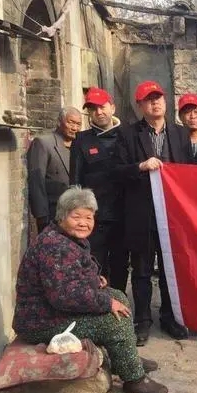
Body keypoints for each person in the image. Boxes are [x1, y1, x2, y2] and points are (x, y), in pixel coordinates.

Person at [11, 186, 168, 393]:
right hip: (41, 321)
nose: (83, 223)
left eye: (89, 217)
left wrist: (94, 280)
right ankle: (134, 378)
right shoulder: (54, 246)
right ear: (62, 216)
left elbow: (71, 275)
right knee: (113, 321)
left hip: (52, 312)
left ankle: (126, 357)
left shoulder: (66, 238)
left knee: (118, 297)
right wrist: (106, 303)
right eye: (76, 217)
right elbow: (64, 296)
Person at [115, 80, 189, 346]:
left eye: (158, 98)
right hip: (142, 212)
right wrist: (140, 166)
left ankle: (170, 317)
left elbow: (190, 171)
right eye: (148, 99)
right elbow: (117, 171)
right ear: (139, 105)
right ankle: (143, 320)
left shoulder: (180, 134)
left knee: (171, 268)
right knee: (142, 270)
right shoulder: (127, 134)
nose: (155, 103)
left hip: (173, 214)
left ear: (165, 102)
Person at [70, 88, 129, 292]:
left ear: (112, 107)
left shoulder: (127, 136)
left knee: (121, 264)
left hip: (123, 214)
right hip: (95, 217)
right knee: (94, 264)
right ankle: (96, 304)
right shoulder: (81, 140)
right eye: (93, 109)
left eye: (102, 107)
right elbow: (75, 182)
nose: (99, 112)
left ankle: (120, 301)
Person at [27, 107, 82, 233]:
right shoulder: (43, 143)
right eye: (71, 122)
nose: (74, 128)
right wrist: (41, 216)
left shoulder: (80, 145)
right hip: (53, 214)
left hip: (76, 214)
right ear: (59, 122)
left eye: (78, 124)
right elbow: (36, 181)